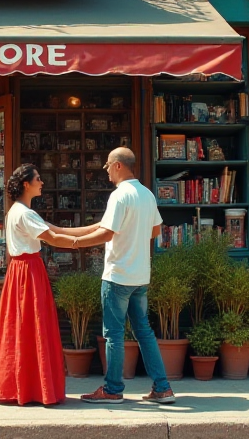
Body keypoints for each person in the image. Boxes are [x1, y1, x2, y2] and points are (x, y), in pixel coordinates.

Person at [61, 147, 176, 404]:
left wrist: (75, 244)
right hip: (140, 276)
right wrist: (134, 235)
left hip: (118, 276)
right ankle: (163, 388)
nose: (108, 173)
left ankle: (113, 390)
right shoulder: (146, 194)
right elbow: (155, 230)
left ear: (118, 166)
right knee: (144, 332)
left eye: (108, 167)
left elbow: (106, 233)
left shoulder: (119, 196)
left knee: (113, 334)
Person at [0, 163, 79, 406]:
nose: (42, 182)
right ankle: (33, 388)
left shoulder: (19, 211)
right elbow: (55, 237)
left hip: (21, 270)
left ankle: (23, 386)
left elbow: (56, 230)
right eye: (38, 179)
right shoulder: (24, 213)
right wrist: (91, 241)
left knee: (22, 328)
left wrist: (98, 230)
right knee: (33, 326)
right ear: (26, 184)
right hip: (28, 271)